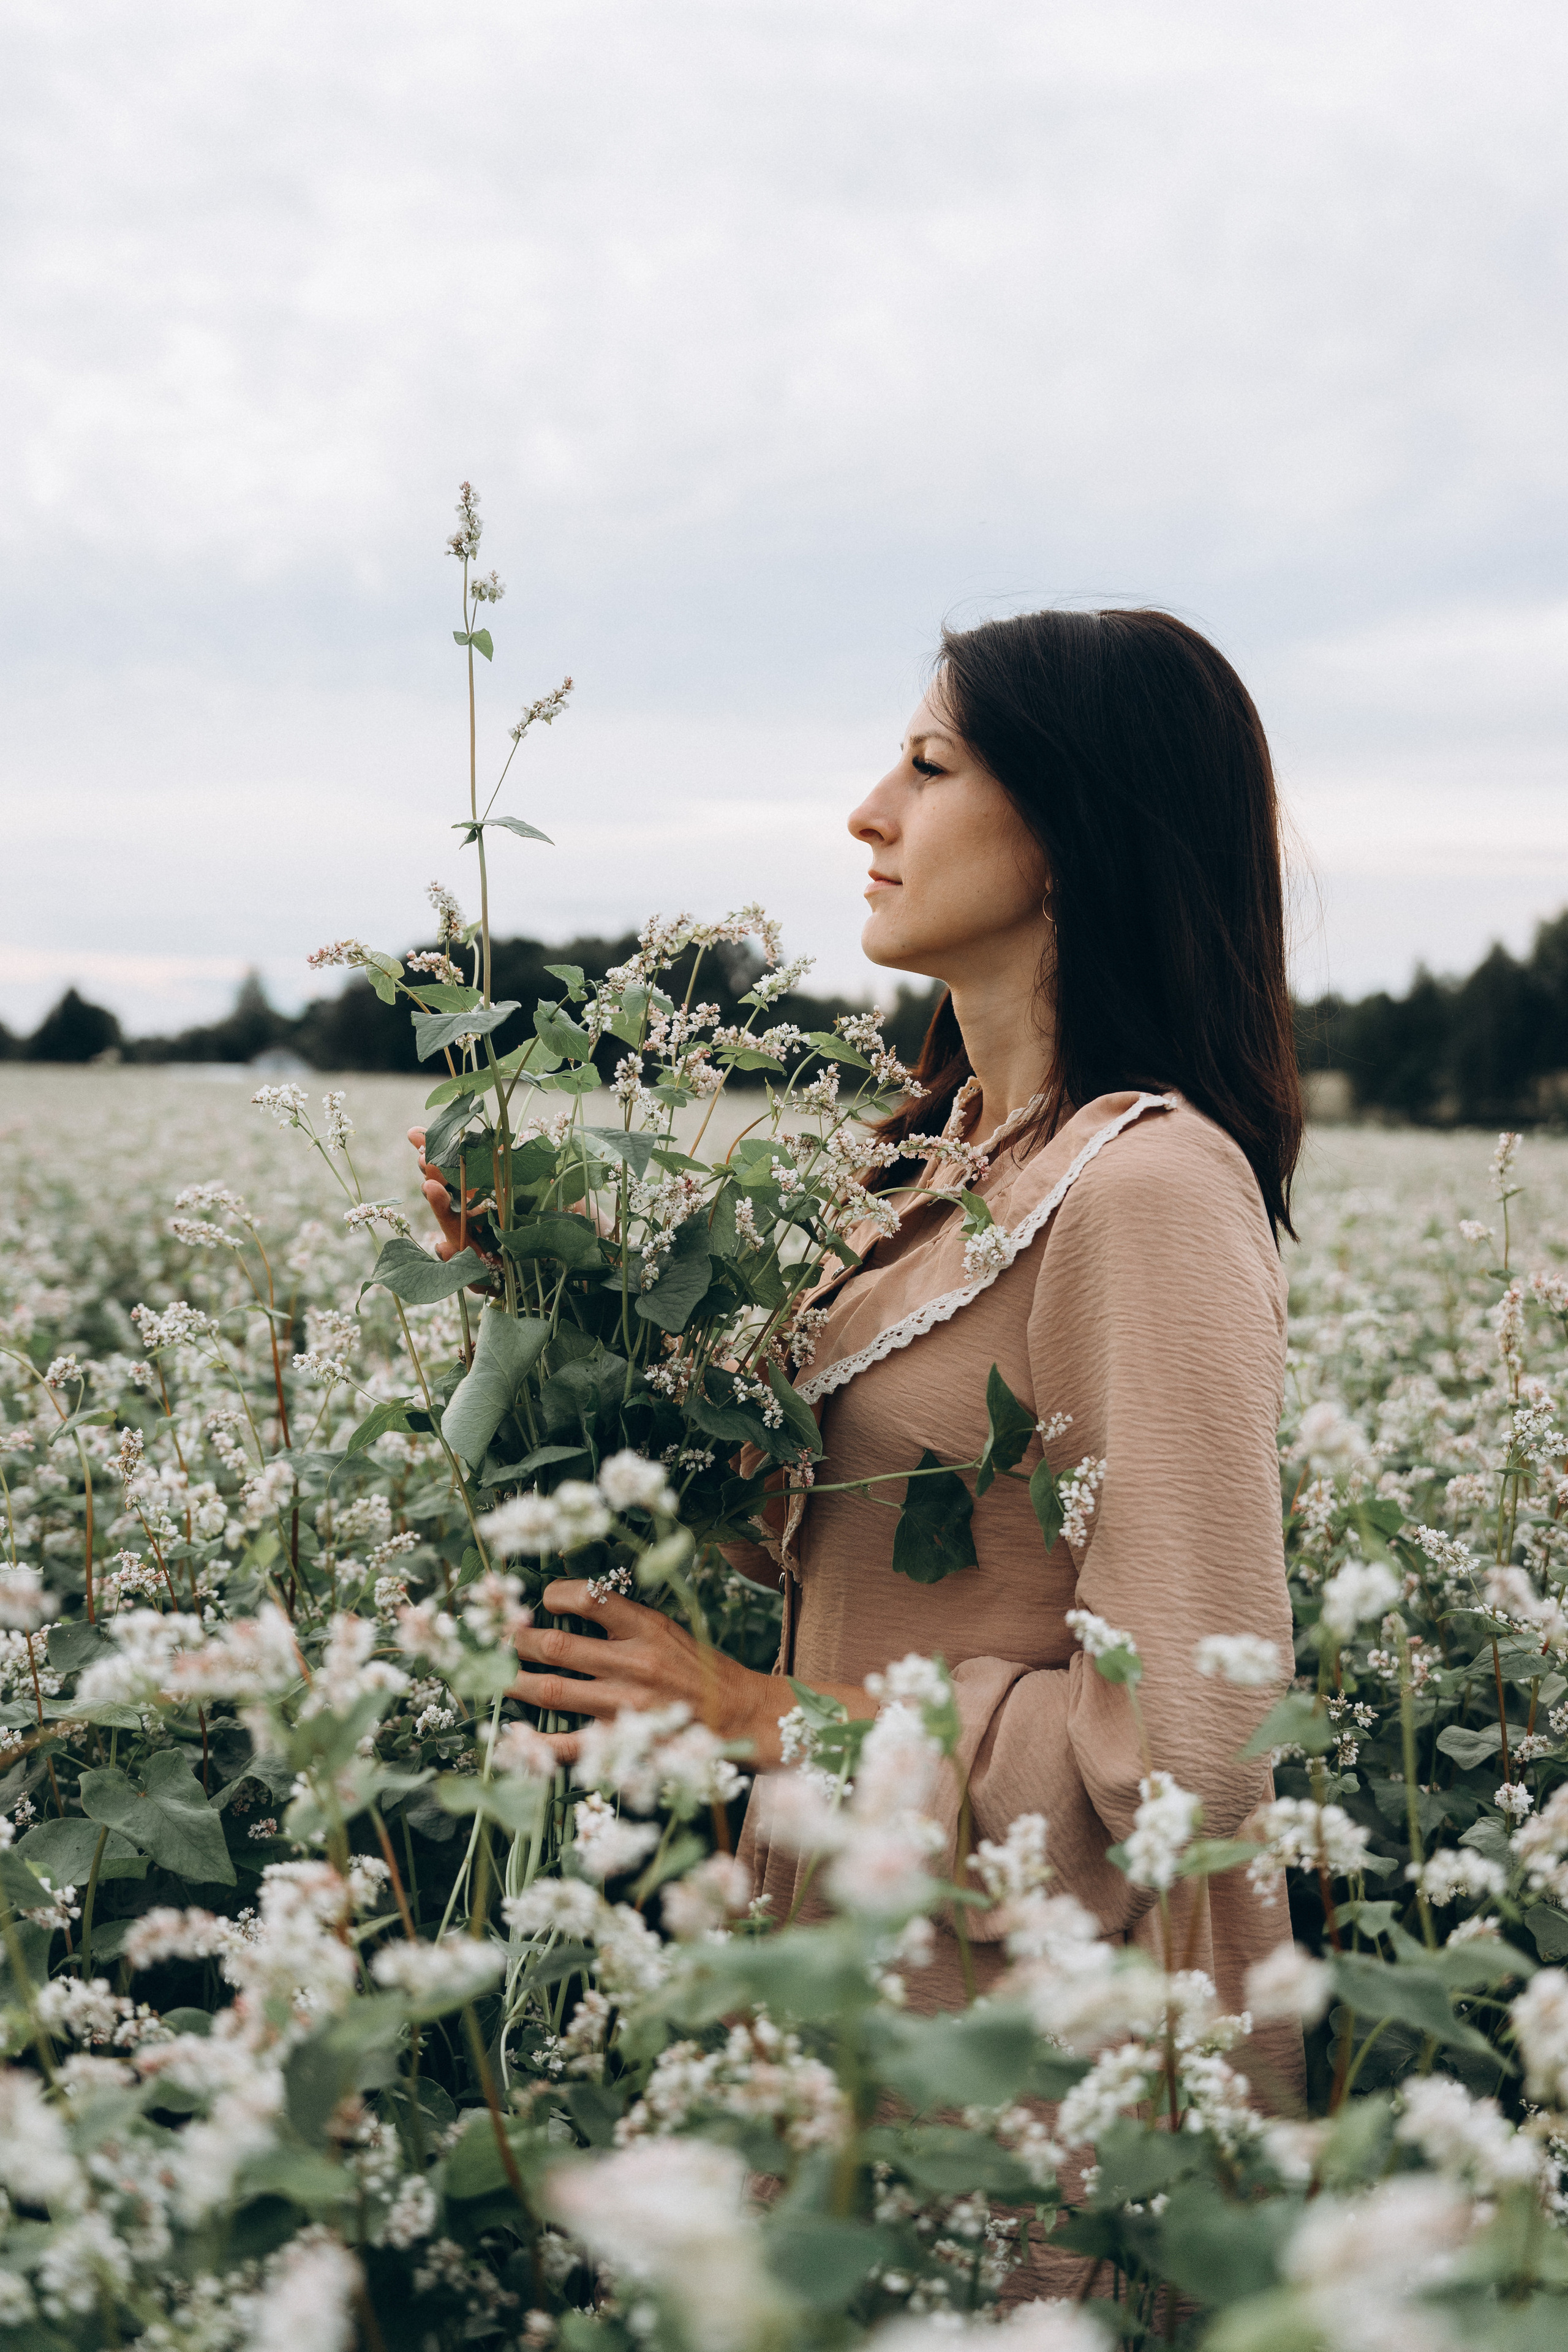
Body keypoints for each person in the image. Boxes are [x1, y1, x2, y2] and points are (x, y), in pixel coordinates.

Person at [413, 606, 1305, 2141]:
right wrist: (553, 1300)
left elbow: (1198, 1753)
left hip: (1047, 2056)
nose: (866, 812)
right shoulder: (927, 1178)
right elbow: (832, 1540)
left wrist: (770, 1720)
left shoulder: (1142, 1189)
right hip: (863, 1956)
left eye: (927, 764)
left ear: (1072, 829)